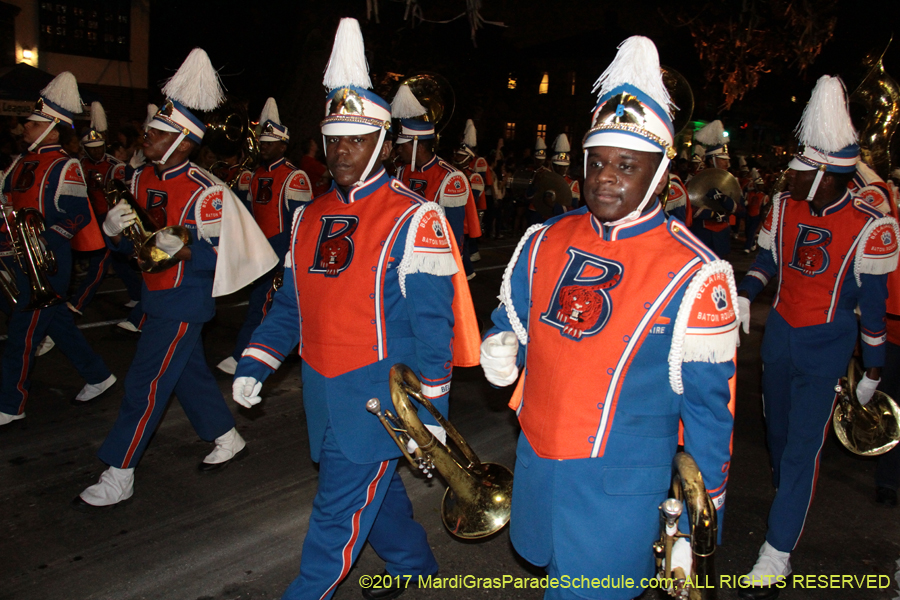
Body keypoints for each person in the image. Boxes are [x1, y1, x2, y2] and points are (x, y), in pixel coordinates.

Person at [480, 36, 736, 600]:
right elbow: (512, 320)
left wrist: (701, 518)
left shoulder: (698, 272)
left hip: (622, 492)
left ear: (661, 173)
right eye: (596, 162)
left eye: (626, 165)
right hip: (541, 468)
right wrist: (501, 347)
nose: (604, 177)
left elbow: (709, 416)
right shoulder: (545, 239)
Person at [231, 18, 478, 600]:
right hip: (322, 389)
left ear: (385, 145)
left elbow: (433, 325)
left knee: (335, 517)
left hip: (381, 395)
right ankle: (415, 566)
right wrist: (256, 361)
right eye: (334, 139)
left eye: (357, 140)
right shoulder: (308, 216)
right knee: (378, 490)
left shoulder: (416, 218)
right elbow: (290, 307)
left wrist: (431, 415)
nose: (342, 151)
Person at [74, 48, 277, 508]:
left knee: (145, 385)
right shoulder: (142, 179)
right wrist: (114, 232)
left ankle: (119, 470)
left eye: (158, 132)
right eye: (151, 130)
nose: (147, 136)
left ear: (182, 142)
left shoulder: (208, 193)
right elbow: (133, 248)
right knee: (185, 374)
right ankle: (227, 436)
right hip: (155, 297)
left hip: (184, 302)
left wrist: (177, 248)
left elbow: (223, 255)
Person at [735, 76, 898, 599]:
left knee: (803, 447)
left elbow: (873, 307)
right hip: (779, 338)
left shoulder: (871, 224)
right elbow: (766, 265)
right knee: (779, 439)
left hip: (828, 346)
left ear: (828, 177)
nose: (790, 177)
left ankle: (775, 553)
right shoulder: (784, 207)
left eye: (803, 172)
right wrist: (742, 292)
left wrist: (873, 369)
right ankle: (791, 500)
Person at [0, 72, 117, 427]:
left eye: (34, 125)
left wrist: (40, 242)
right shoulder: (22, 161)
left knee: (23, 333)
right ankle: (99, 375)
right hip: (18, 257)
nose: (25, 129)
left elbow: (77, 216)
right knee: (58, 325)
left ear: (52, 130)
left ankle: (10, 402)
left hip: (45, 264)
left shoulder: (64, 165)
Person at [217, 97, 312, 375]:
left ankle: (241, 354)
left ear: (283, 146)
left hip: (280, 252)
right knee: (271, 305)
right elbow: (247, 215)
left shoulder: (295, 177)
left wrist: (284, 255)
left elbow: (300, 223)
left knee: (261, 303)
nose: (264, 147)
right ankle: (291, 346)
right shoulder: (254, 175)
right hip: (260, 249)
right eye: (262, 142)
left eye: (270, 143)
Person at [71, 101, 143, 316]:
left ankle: (77, 304)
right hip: (88, 217)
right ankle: (138, 295)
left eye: (100, 147)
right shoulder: (79, 164)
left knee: (99, 263)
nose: (97, 152)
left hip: (107, 219)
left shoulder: (114, 166)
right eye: (92, 149)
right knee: (119, 264)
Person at [391, 84, 473, 261]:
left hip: (435, 258)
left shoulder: (450, 177)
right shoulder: (400, 172)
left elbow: (455, 232)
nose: (398, 150)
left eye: (402, 146)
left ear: (417, 147)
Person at [689, 120, 737, 258]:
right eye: (723, 159)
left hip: (722, 239)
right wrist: (712, 215)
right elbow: (687, 209)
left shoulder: (730, 181)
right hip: (700, 237)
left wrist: (723, 199)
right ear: (712, 160)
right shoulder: (695, 180)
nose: (727, 163)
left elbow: (740, 210)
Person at [551, 133, 580, 209]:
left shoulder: (572, 184)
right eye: (558, 166)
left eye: (564, 166)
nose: (561, 169)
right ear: (553, 165)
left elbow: (574, 209)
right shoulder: (544, 179)